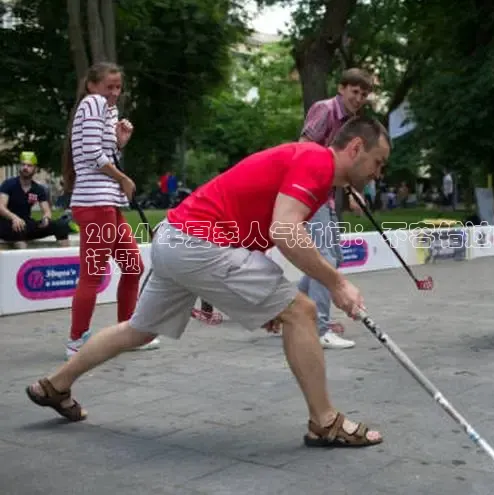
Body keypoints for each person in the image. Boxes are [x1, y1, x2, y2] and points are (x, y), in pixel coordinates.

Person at [24, 115, 390, 448]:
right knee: (302, 311)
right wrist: (338, 283)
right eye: (377, 162)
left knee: (140, 330)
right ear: (355, 148)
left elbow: (261, 226)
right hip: (199, 244)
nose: (378, 173)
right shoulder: (317, 162)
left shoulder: (310, 164)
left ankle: (55, 385)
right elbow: (285, 230)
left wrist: (253, 300)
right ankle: (325, 421)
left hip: (176, 238)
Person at [61, 61, 159, 359]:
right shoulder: (92, 103)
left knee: (133, 266)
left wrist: (119, 142)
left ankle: (127, 333)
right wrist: (123, 179)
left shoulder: (108, 110)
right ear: (92, 85)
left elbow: (104, 153)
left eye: (118, 87)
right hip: (95, 204)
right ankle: (77, 339)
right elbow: (92, 155)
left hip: (108, 204)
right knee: (92, 274)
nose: (115, 93)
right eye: (109, 87)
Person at [295, 68, 373, 350]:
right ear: (341, 88)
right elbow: (304, 149)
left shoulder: (350, 121)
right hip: (308, 193)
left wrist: (351, 191)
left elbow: (340, 162)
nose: (359, 98)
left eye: (364, 95)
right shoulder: (324, 109)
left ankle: (285, 310)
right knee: (325, 258)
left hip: (325, 195)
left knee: (333, 258)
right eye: (355, 92)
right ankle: (319, 329)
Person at [0, 151, 72, 248]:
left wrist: (46, 218)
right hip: (7, 224)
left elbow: (47, 211)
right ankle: (23, 259)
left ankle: (66, 259)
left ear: (35, 169)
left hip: (26, 223)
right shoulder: (8, 184)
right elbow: (1, 207)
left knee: (61, 226)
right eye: (23, 165)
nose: (25, 168)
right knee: (19, 230)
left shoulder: (38, 189)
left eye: (29, 166)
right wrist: (14, 218)